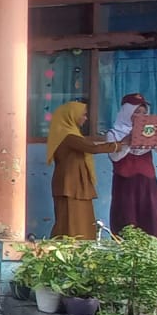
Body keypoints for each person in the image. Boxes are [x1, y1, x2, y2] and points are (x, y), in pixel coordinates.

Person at [47, 101, 122, 240]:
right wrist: (119, 145)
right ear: (72, 116)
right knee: (70, 221)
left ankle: (80, 246)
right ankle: (70, 248)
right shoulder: (68, 136)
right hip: (70, 184)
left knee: (80, 219)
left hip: (76, 183)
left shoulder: (71, 134)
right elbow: (93, 148)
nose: (85, 118)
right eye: (83, 115)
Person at [106, 93, 157, 239]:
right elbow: (115, 157)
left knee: (150, 218)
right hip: (125, 182)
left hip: (147, 181)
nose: (141, 116)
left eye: (144, 112)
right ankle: (126, 250)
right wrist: (129, 140)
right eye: (137, 112)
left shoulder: (150, 130)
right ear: (127, 113)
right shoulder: (114, 133)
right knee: (126, 218)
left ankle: (151, 249)